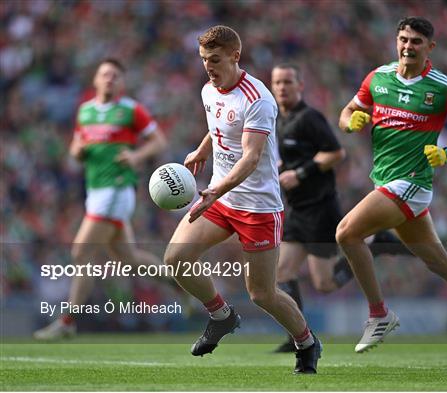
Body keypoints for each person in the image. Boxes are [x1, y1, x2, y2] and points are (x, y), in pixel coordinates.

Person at [336, 16, 447, 361]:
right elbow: (347, 111)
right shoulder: (378, 78)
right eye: (403, 39)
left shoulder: (442, 87)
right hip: (386, 179)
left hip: (412, 182)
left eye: (416, 41)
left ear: (430, 47)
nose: (408, 46)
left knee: (346, 233)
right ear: (396, 41)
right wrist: (350, 122)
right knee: (439, 262)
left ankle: (379, 315)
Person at [163, 26, 321, 374]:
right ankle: (221, 316)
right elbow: (219, 122)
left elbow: (250, 158)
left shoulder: (258, 99)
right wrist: (202, 149)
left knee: (262, 294)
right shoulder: (209, 89)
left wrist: (214, 191)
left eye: (215, 59)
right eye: (204, 59)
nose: (208, 66)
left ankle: (307, 342)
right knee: (176, 258)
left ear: (235, 55)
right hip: (221, 197)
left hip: (258, 206)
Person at [270, 63, 412, 353]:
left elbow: (336, 153)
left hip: (320, 208)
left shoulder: (309, 118)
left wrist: (300, 173)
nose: (282, 87)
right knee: (282, 272)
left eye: (287, 81)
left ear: (300, 86)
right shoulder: (278, 120)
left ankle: (375, 245)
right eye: (277, 82)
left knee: (323, 283)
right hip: (297, 210)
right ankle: (298, 336)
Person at [34, 58, 167, 340]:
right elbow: (75, 148)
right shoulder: (85, 111)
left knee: (82, 252)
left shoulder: (130, 110)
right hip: (94, 191)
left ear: (122, 82)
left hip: (117, 189)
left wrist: (136, 155)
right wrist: (78, 152)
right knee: (129, 259)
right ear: (95, 79)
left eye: (115, 75)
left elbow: (159, 141)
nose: (109, 79)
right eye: (105, 74)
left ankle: (67, 322)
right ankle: (181, 281)